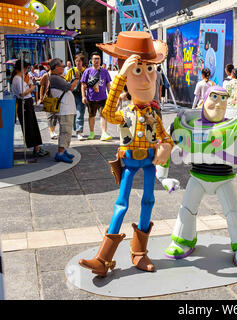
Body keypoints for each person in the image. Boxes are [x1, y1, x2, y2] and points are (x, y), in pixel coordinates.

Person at [78, 31, 175, 277]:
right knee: (121, 204)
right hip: (130, 164)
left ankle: (140, 253)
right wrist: (119, 78)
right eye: (138, 71)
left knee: (149, 201)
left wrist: (166, 146)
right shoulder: (125, 112)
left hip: (149, 164)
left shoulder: (153, 114)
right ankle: (103, 258)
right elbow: (108, 113)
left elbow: (165, 137)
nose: (146, 80)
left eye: (150, 70)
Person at [163, 86, 237, 268]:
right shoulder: (183, 124)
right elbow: (163, 150)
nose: (218, 103)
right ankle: (183, 239)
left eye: (223, 98)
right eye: (214, 97)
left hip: (223, 179)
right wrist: (163, 177)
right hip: (197, 176)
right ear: (203, 100)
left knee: (233, 214)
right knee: (186, 210)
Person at [10, 60, 49, 158]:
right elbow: (22, 93)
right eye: (26, 68)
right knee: (30, 126)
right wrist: (31, 88)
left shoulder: (20, 78)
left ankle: (37, 147)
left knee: (33, 125)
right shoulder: (17, 79)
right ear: (23, 68)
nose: (27, 70)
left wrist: (30, 86)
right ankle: (36, 148)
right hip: (24, 103)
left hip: (27, 103)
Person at [48, 58, 79, 163]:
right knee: (65, 131)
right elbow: (70, 87)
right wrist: (76, 78)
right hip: (64, 109)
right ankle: (60, 153)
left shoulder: (57, 77)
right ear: (56, 67)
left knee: (67, 131)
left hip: (67, 109)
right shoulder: (55, 78)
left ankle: (64, 150)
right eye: (62, 66)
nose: (64, 68)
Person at [81, 52, 112, 141]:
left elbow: (108, 84)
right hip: (91, 98)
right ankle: (91, 133)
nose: (97, 61)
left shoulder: (104, 71)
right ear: (91, 60)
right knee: (92, 115)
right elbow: (83, 85)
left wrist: (110, 95)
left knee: (103, 115)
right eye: (95, 59)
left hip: (103, 97)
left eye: (98, 59)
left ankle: (104, 133)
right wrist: (83, 96)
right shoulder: (87, 71)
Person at [65, 53, 87, 141]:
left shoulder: (85, 71)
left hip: (81, 94)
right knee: (72, 113)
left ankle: (79, 131)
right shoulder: (71, 71)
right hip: (71, 94)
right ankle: (74, 129)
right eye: (77, 61)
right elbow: (66, 81)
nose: (78, 63)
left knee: (80, 113)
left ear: (82, 62)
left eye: (80, 61)